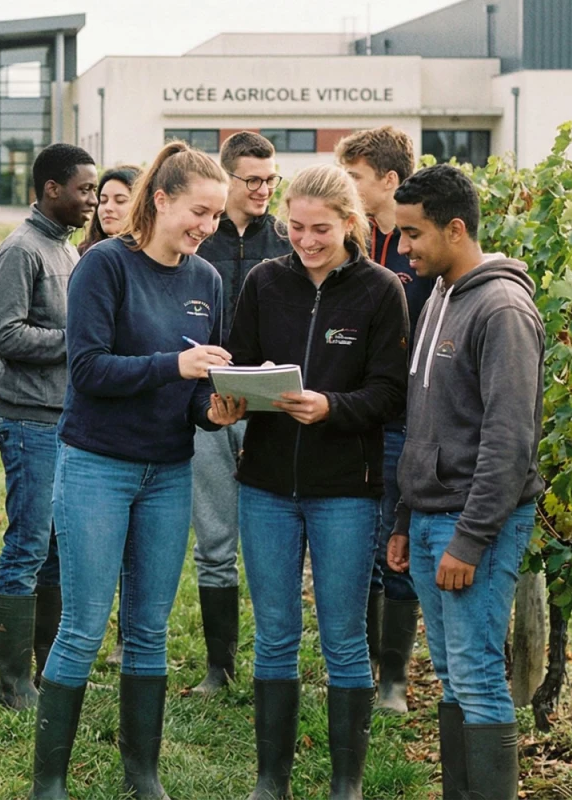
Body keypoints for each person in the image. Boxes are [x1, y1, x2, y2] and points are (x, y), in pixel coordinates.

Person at [32, 140, 233, 800]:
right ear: (162, 200)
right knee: (85, 625)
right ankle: (49, 782)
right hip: (97, 466)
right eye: (199, 212)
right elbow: (87, 371)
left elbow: (199, 398)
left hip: (169, 472)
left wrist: (219, 409)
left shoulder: (207, 282)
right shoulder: (103, 267)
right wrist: (174, 368)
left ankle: (142, 777)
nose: (208, 227)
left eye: (216, 216)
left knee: (148, 631)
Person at [200, 164, 409, 800]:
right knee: (276, 635)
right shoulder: (265, 281)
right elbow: (239, 359)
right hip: (265, 483)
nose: (306, 240)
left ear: (352, 224)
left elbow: (390, 393)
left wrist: (331, 408)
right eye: (295, 227)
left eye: (321, 229)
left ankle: (346, 785)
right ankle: (272, 782)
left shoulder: (380, 291)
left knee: (344, 638)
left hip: (345, 487)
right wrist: (232, 399)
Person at [388, 164, 544, 800]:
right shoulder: (441, 297)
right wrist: (405, 518)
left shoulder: (502, 308)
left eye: (413, 234)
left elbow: (510, 443)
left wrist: (470, 539)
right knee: (453, 675)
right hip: (430, 517)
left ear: (455, 229)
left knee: (478, 675)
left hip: (473, 522)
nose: (403, 248)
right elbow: (425, 421)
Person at [0, 143, 98, 710]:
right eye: (84, 189)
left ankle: (47, 667)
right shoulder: (21, 250)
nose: (93, 200)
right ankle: (12, 681)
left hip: (66, 419)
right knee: (28, 544)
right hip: (30, 422)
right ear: (51, 189)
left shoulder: (68, 251)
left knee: (55, 547)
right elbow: (1, 336)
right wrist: (75, 344)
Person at [187, 131, 292, 695]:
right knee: (214, 536)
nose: (263, 190)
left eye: (271, 180)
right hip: (209, 399)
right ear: (226, 178)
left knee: (272, 537)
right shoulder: (200, 238)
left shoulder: (286, 238)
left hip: (272, 402)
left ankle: (275, 665)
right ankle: (218, 667)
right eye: (252, 180)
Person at [337, 125, 435, 713]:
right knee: (358, 539)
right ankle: (366, 662)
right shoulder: (351, 238)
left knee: (393, 543)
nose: (346, 188)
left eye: (355, 178)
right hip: (354, 413)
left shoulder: (417, 242)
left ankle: (394, 679)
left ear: (389, 181)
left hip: (402, 416)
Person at [77, 164, 140, 665]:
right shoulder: (90, 262)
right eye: (104, 198)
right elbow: (88, 361)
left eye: (121, 198)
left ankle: (127, 638)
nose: (109, 207)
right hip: (89, 428)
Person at [78, 166, 138, 255]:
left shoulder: (157, 256)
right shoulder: (86, 254)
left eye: (120, 201)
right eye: (103, 201)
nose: (108, 208)